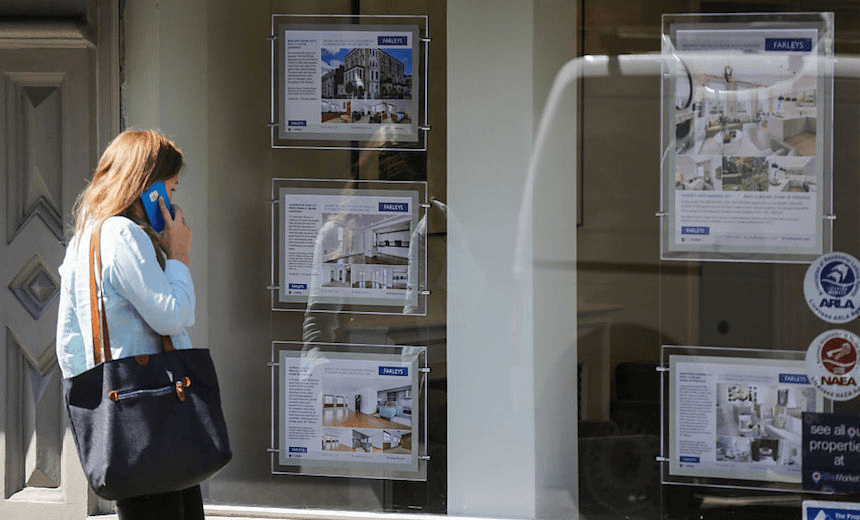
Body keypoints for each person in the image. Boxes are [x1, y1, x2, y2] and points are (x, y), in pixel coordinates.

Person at [56, 129, 202, 520]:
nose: (172, 201)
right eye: (169, 189)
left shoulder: (84, 238)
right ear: (147, 188)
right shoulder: (123, 236)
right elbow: (173, 314)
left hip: (126, 415)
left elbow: (68, 345)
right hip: (154, 412)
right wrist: (180, 254)